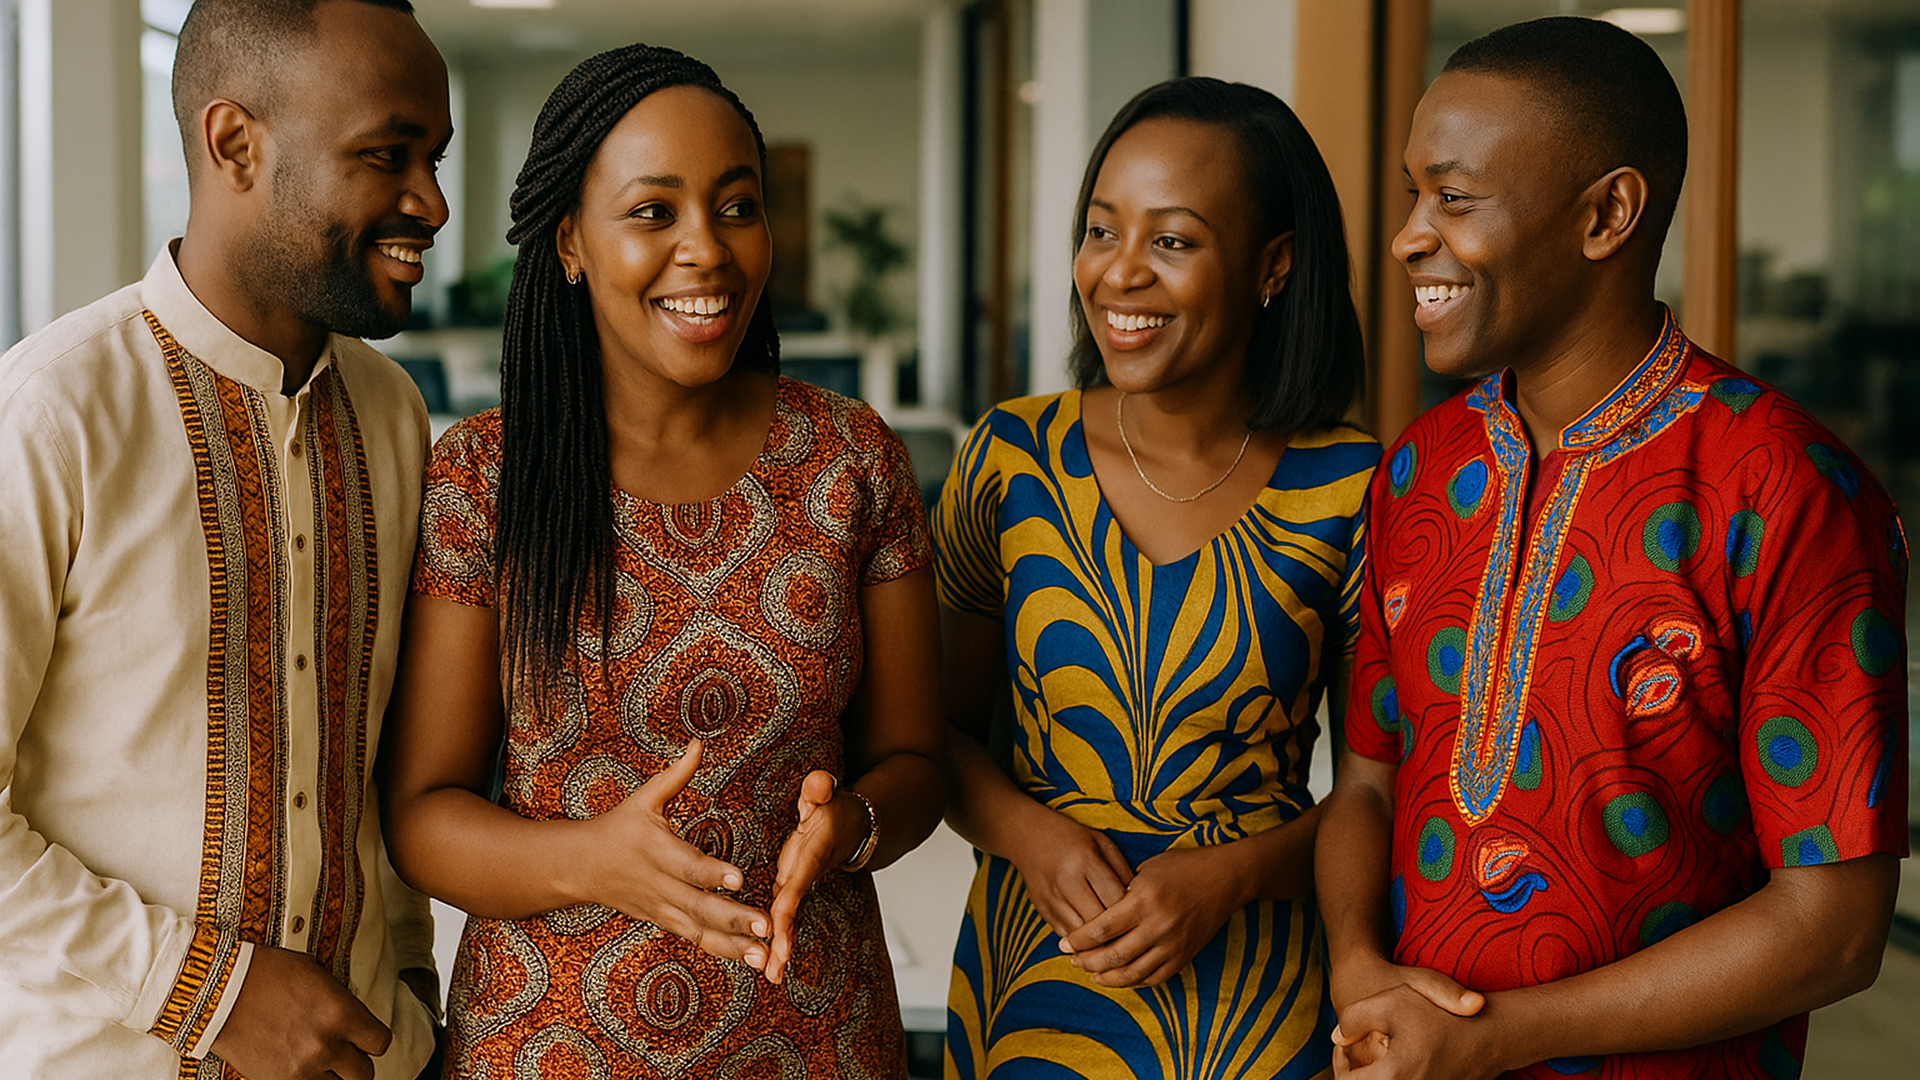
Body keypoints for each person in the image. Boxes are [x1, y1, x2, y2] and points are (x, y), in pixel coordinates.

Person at [1318, 16, 1908, 1080]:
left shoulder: (1785, 490)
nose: (1409, 234)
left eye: (1453, 198)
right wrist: (1357, 966)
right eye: (1413, 195)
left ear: (1607, 214)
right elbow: (1367, 786)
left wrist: (1499, 1041)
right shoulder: (1419, 470)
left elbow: (1836, 924)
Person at [378, 43, 947, 1077]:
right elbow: (423, 814)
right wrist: (590, 859)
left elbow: (917, 761)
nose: (708, 250)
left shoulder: (850, 459)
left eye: (738, 207)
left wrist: (854, 825)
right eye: (654, 213)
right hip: (551, 1047)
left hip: (813, 1034)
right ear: (569, 242)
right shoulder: (484, 477)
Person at [0, 1, 453, 1078]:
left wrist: (417, 997)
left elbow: (376, 768)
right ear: (234, 144)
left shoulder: (393, 417)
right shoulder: (55, 413)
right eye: (388, 155)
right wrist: (206, 993)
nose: (431, 201)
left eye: (434, 158)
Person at [935, 76, 1377, 1079]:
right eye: (1101, 230)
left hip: (1258, 1008)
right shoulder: (1011, 457)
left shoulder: (1356, 487)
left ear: (1273, 266)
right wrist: (1030, 836)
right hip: (1031, 988)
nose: (1119, 272)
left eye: (1172, 241)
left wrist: (1232, 877)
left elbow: (1376, 799)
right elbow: (931, 732)